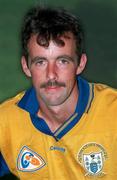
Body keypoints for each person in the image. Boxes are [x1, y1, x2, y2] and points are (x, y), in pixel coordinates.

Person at [0, 5, 117, 180]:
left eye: (62, 61)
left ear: (80, 64)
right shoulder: (6, 122)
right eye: (41, 62)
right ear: (26, 66)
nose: (51, 74)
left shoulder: (112, 112)